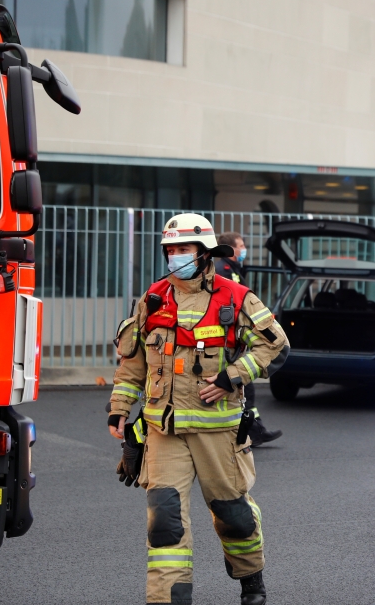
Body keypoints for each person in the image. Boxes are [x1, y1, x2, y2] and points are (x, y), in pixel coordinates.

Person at [107, 213, 289, 605]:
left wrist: (232, 377)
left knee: (235, 518)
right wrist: (120, 407)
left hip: (218, 433)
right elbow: (133, 363)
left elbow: (275, 345)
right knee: (164, 524)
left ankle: (251, 583)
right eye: (170, 250)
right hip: (165, 432)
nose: (175, 256)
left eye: (183, 249)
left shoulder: (236, 297)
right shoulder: (153, 298)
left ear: (205, 253)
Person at [214, 231, 283, 448]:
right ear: (230, 249)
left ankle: (254, 430)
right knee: (244, 387)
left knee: (245, 387)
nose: (244, 249)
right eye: (241, 245)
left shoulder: (231, 269)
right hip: (229, 341)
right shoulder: (223, 270)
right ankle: (251, 432)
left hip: (236, 340)